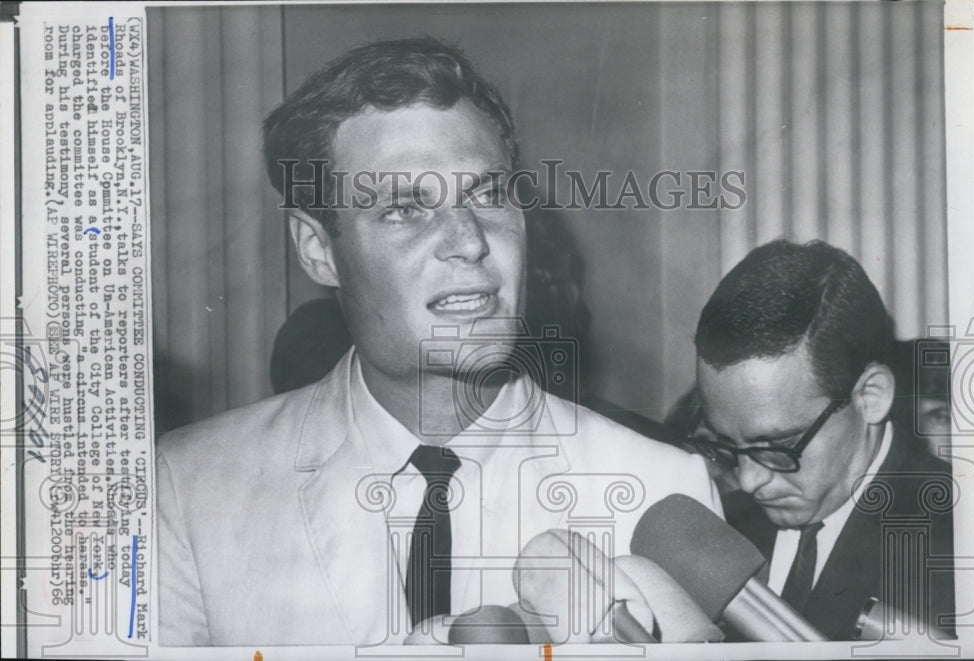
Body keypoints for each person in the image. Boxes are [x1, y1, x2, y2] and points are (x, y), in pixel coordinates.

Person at [156, 37, 720, 646]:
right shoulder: (190, 490)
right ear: (318, 250)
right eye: (405, 209)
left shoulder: (658, 490)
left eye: (487, 194)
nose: (470, 240)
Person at [687, 239, 954, 640]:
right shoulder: (720, 529)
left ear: (871, 396)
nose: (748, 481)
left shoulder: (964, 541)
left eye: (776, 447)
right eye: (725, 446)